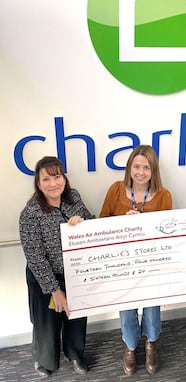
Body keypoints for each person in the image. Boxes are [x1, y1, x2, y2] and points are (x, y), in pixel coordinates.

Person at [99, 145, 172, 375]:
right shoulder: (115, 190)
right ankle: (130, 347)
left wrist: (144, 223)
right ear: (129, 167)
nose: (140, 172)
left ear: (154, 170)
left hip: (151, 263)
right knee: (127, 308)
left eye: (146, 167)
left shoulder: (164, 195)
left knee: (152, 308)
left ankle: (151, 343)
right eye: (136, 166)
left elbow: (167, 233)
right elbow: (101, 223)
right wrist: (123, 221)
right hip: (123, 263)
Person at [19, 156, 94, 377]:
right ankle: (45, 360)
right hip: (44, 277)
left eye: (57, 176)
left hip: (74, 272)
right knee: (46, 322)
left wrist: (83, 222)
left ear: (64, 177)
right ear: (38, 183)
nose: (53, 183)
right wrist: (55, 290)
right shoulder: (30, 213)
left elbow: (91, 223)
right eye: (46, 179)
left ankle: (75, 353)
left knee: (76, 316)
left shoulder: (74, 197)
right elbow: (35, 257)